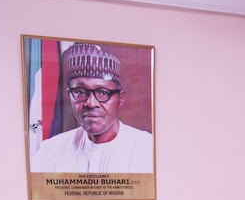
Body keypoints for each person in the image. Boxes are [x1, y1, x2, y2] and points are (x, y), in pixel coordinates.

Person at [30, 43, 154, 173]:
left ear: (120, 98)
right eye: (80, 92)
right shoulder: (50, 152)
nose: (90, 103)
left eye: (103, 93)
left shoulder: (148, 150)